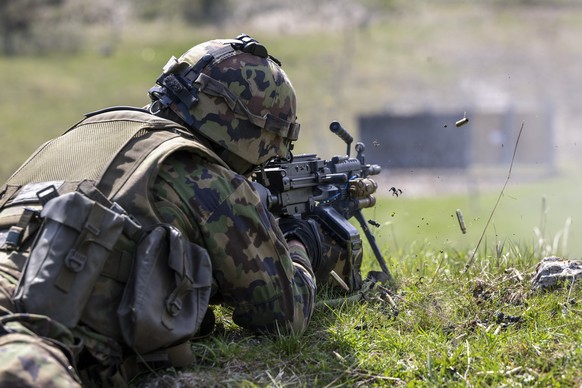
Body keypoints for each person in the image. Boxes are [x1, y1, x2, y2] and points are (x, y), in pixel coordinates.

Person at [0, 34, 361, 386]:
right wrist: (299, 244)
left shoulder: (68, 140)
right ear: (249, 132)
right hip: (26, 341)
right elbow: (285, 315)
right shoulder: (202, 174)